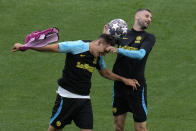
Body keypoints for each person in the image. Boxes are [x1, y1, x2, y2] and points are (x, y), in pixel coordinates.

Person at [12, 34, 140, 131]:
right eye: (105, 50)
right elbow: (53, 48)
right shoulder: (77, 46)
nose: (104, 54)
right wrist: (26, 46)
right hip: (66, 98)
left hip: (84, 100)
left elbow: (105, 73)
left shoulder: (98, 56)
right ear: (99, 42)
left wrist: (124, 80)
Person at [106, 9, 156, 131]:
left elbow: (140, 55)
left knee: (141, 128)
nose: (149, 19)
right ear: (137, 16)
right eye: (147, 16)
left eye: (150, 17)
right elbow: (104, 46)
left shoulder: (148, 38)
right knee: (118, 127)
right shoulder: (122, 34)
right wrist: (105, 34)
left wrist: (119, 50)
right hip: (119, 86)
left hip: (136, 87)